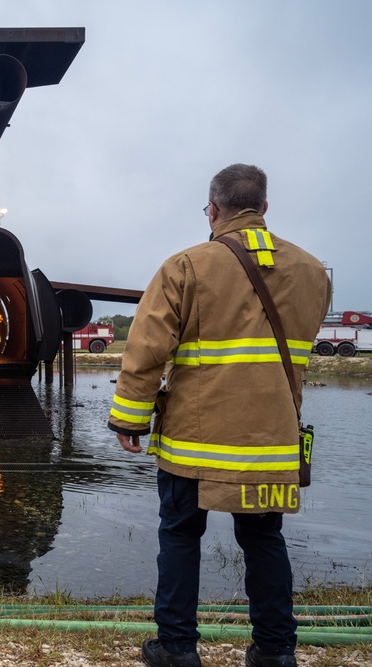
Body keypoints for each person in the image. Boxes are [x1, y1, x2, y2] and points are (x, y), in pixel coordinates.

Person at [108, 164, 331, 667]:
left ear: (213, 209)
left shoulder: (186, 266)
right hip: (272, 440)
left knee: (181, 536)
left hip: (193, 442)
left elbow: (144, 352)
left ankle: (178, 649)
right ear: (264, 208)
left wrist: (128, 419)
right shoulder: (313, 272)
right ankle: (276, 651)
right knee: (264, 540)